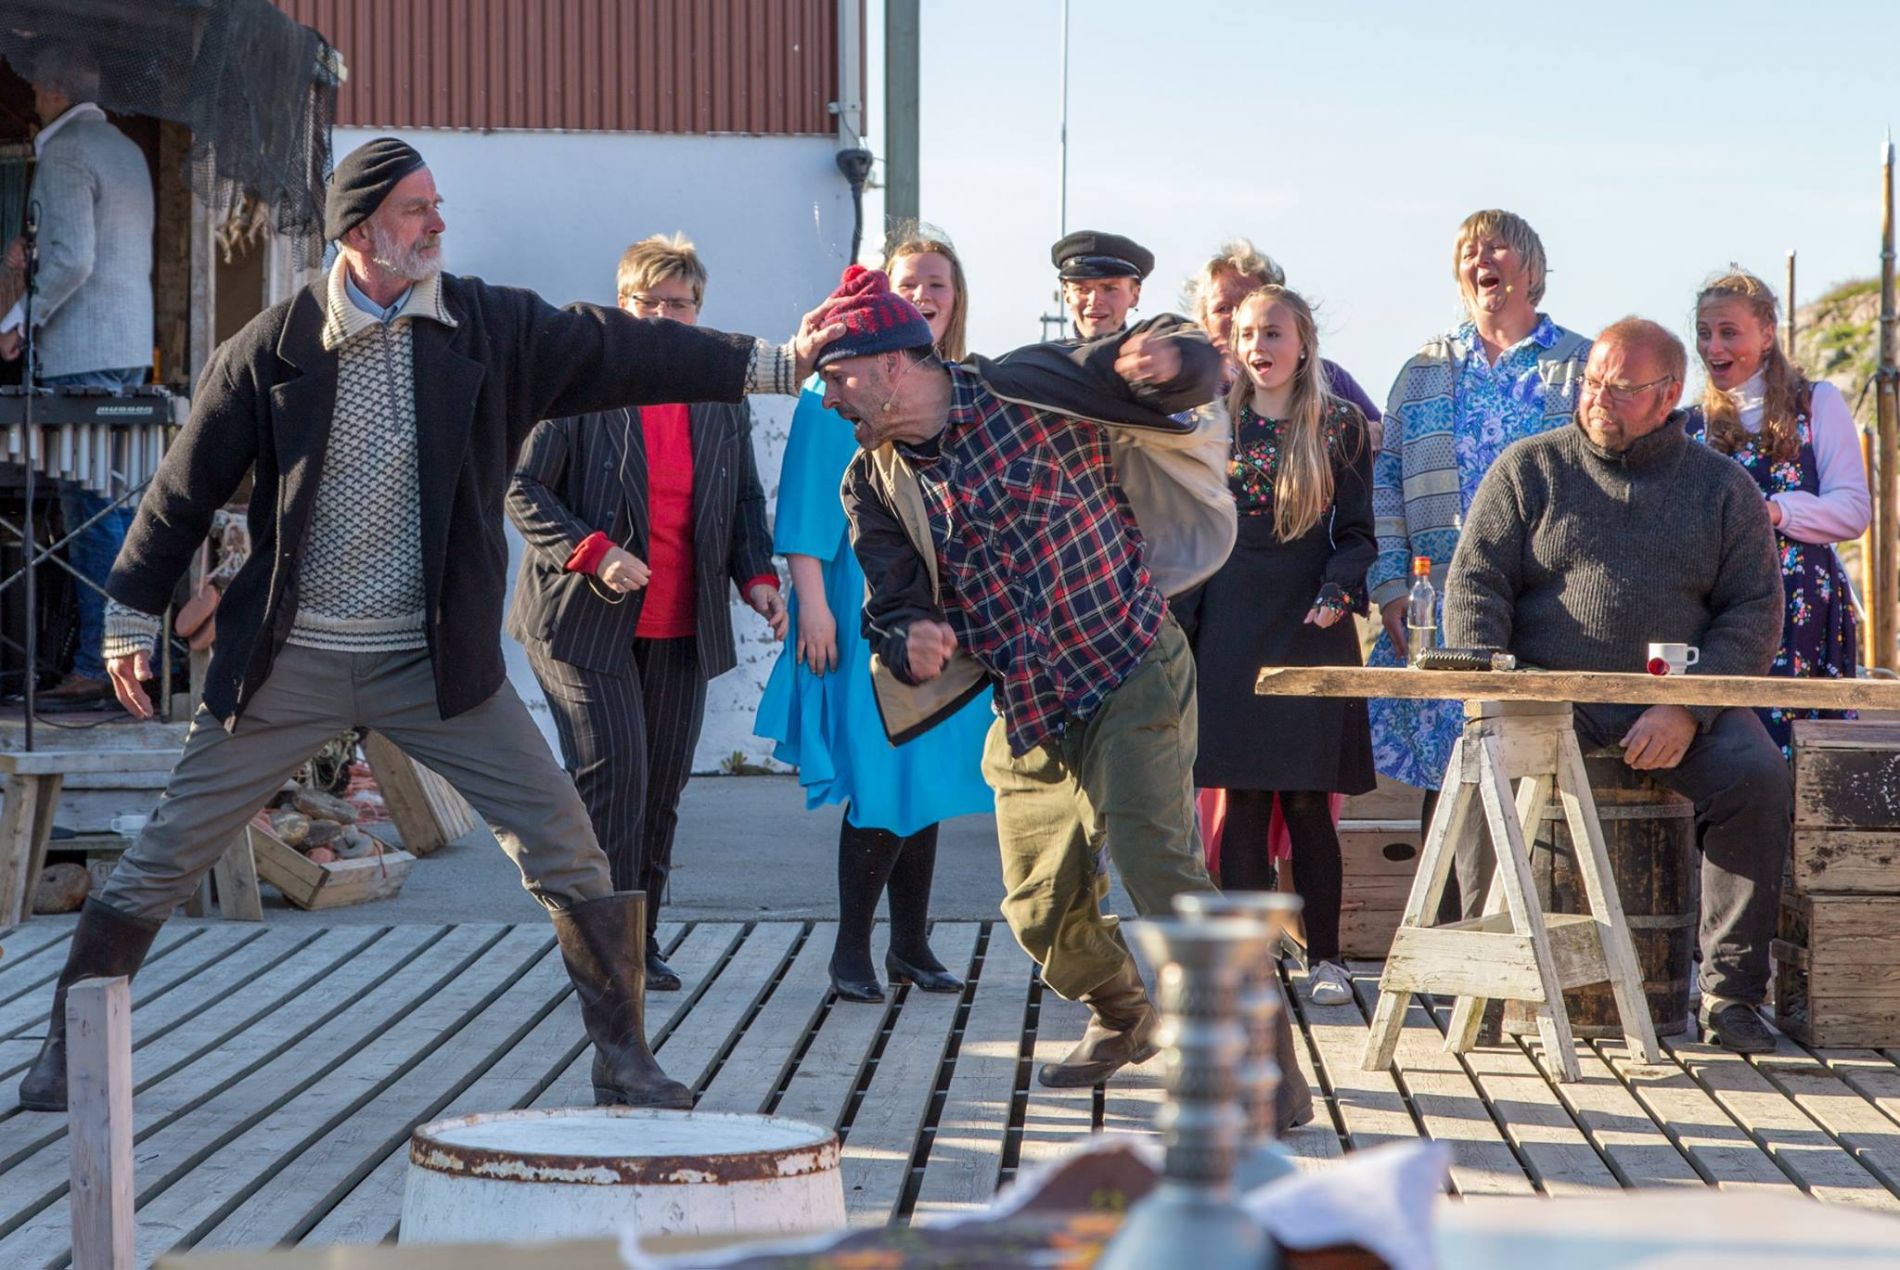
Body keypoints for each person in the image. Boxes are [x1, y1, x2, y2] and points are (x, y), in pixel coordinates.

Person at [16, 136, 840, 1114]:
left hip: (435, 664)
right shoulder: (272, 348)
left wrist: (778, 361)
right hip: (290, 661)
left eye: (437, 205)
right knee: (167, 850)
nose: (439, 223)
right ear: (361, 232)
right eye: (417, 209)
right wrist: (124, 618)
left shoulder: (488, 327)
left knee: (567, 843)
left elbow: (622, 348)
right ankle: (66, 1051)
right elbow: (181, 491)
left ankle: (623, 1058)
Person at [818, 264, 1221, 1086]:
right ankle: (1124, 1015)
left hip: (1129, 658)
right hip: (1031, 705)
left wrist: (1175, 361)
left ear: (892, 363)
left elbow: (1188, 369)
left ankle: (1250, 1051)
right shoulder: (872, 483)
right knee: (1039, 908)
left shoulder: (1030, 383)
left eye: (838, 378)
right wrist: (909, 636)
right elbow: (889, 601)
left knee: (1153, 858)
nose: (829, 400)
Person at [1446, 317, 1788, 1053]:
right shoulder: (1529, 468)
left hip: (1675, 695)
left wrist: (1686, 708)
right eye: (1592, 381)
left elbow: (1755, 613)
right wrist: (1495, 684)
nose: (1599, 398)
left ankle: (1730, 995)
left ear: (1668, 394)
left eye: (1622, 388)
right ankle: (1486, 977)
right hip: (1548, 695)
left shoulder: (1721, 488)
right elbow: (1475, 584)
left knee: (1757, 778)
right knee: (1482, 763)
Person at [506, 233, 789, 993]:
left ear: (698, 311)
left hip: (680, 623)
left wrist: (757, 577)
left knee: (660, 791)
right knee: (614, 780)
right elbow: (522, 487)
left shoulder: (717, 395)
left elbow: (742, 498)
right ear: (622, 304)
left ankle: (640, 943)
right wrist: (594, 550)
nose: (664, 316)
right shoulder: (577, 382)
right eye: (649, 302)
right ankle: (601, 956)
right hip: (580, 620)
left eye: (679, 304)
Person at [755, 229, 993, 1004]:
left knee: (920, 778)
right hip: (856, 611)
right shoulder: (836, 390)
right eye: (909, 284)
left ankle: (910, 945)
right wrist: (814, 610)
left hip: (935, 618)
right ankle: (850, 952)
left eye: (937, 284)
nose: (924, 296)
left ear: (956, 299)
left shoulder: (960, 394)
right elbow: (804, 508)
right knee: (883, 778)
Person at [1366, 209, 1591, 920]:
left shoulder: (1580, 366)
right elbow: (1386, 483)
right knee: (1449, 771)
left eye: (1496, 247)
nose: (1480, 259)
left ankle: (1526, 944)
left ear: (1532, 268)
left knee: (1535, 776)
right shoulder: (1423, 370)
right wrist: (1391, 585)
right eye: (1469, 250)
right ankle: (1447, 943)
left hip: (1546, 608)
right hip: (1438, 606)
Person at [1192, 286, 1375, 1008]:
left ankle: (1326, 959)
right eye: (1246, 333)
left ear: (1303, 343)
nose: (1258, 347)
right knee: (1241, 798)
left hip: (1311, 625)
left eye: (1272, 333)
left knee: (1306, 800)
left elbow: (1358, 535)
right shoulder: (1212, 421)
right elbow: (1188, 529)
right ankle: (1247, 960)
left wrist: (1338, 590)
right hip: (1229, 622)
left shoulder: (1341, 425)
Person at [0, 42, 153, 709]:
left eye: (38, 90)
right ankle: (128, 657)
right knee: (116, 509)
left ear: (57, 91)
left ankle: (100, 664)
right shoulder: (126, 150)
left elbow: (75, 260)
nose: (35, 100)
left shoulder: (63, 152)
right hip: (126, 347)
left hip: (80, 355)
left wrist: (18, 320)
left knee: (93, 516)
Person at [1688, 269, 1869, 756]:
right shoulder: (1690, 424)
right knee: (1730, 748)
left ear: (1766, 334)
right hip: (1724, 612)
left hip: (1802, 605)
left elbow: (1852, 511)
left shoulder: (1816, 403)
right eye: (1704, 333)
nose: (1713, 347)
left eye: (1729, 332)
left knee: (1800, 751)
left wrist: (1772, 512)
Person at [1184, 238, 1384, 442]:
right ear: (1204, 321)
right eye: (1223, 308)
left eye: (1248, 302)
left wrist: (1352, 435)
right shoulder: (1191, 389)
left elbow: (1386, 440)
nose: (1237, 317)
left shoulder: (1328, 378)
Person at [1052, 230, 1154, 340]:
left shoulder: (1156, 350)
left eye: (1109, 289)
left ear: (1134, 295)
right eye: (1082, 289)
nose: (1094, 301)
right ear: (1066, 295)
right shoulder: (1043, 351)